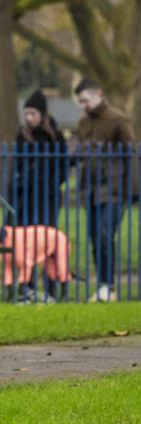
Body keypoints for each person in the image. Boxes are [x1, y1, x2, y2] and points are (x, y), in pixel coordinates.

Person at [73, 78, 137, 302]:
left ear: (98, 94)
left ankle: (108, 286)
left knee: (104, 236)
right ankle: (103, 285)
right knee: (94, 238)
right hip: (90, 190)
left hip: (114, 188)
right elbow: (77, 150)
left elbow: (131, 154)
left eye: (86, 100)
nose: (84, 105)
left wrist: (132, 190)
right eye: (80, 102)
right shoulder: (83, 122)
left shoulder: (118, 119)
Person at [6, 90, 69, 302]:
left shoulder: (55, 137)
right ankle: (29, 289)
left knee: (48, 244)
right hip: (26, 199)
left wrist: (51, 184)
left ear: (42, 114)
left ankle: (52, 290)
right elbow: (17, 166)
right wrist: (23, 182)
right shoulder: (22, 136)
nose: (28, 117)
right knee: (27, 245)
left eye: (32, 113)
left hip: (48, 199)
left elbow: (62, 168)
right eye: (26, 113)